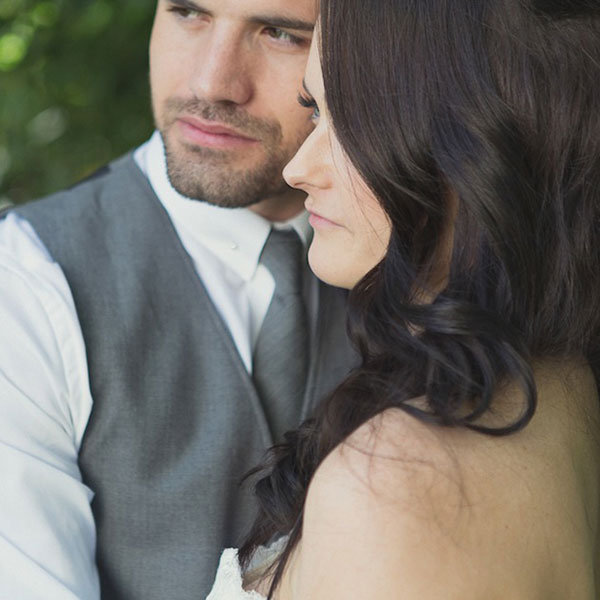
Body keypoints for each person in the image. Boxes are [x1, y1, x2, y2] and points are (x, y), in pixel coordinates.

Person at [205, 0, 600, 597]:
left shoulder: (398, 484)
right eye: (316, 112)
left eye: (353, 123)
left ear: (473, 143)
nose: (299, 169)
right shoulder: (559, 372)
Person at [0, 1, 356, 599]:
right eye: (188, 13)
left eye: (281, 34)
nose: (211, 83)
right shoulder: (27, 284)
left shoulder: (434, 268)